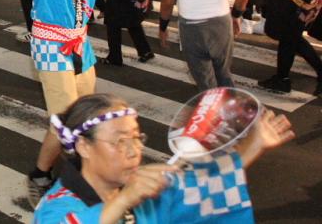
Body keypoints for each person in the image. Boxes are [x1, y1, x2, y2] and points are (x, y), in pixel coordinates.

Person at [25, 0, 177, 208]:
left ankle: (76, 175)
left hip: (79, 43)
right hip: (50, 44)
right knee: (65, 119)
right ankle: (41, 174)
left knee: (85, 115)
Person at [33, 93, 295, 223]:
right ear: (84, 146)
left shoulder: (138, 187)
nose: (134, 150)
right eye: (120, 141)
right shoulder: (55, 207)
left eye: (136, 137)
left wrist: (253, 146)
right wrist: (123, 201)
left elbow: (201, 190)